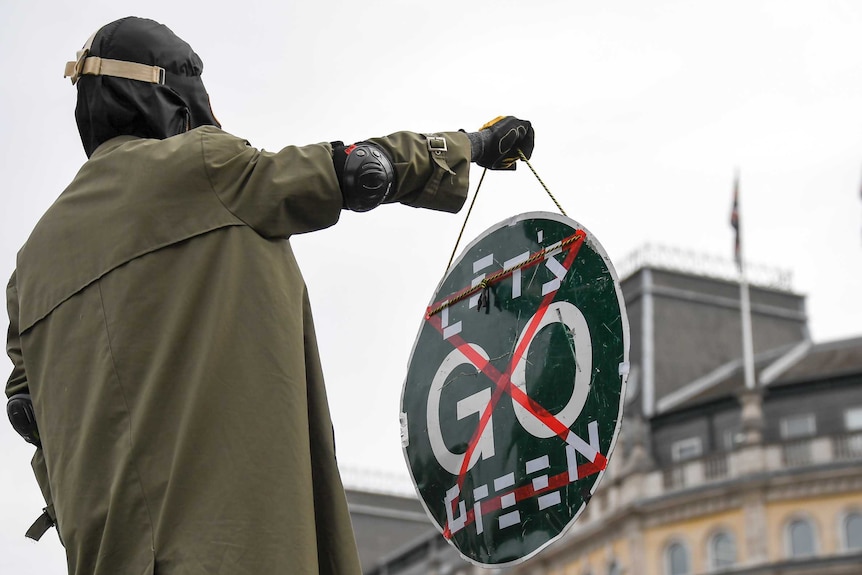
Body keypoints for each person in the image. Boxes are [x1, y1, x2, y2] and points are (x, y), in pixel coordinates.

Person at [5, 16, 535, 575]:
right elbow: (355, 169)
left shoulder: (29, 268)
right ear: (171, 100)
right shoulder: (203, 168)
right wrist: (471, 146)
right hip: (233, 549)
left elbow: (26, 409)